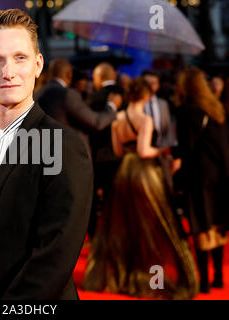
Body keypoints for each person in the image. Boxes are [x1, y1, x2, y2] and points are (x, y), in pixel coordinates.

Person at [0, 9, 94, 300]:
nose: (8, 72)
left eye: (19, 58)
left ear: (37, 65)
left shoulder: (63, 147)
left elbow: (54, 257)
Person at [82, 78, 199, 299]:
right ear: (145, 96)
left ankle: (125, 276)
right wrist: (161, 150)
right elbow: (144, 151)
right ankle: (153, 279)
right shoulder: (145, 119)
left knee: (125, 227)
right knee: (154, 228)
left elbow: (117, 151)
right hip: (145, 175)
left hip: (124, 173)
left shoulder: (116, 119)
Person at [175, 67, 229, 293]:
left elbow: (186, 148)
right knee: (217, 224)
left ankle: (204, 281)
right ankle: (218, 276)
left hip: (198, 176)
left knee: (200, 225)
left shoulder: (186, 111)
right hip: (220, 174)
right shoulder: (217, 109)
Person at [34, 58, 121, 154]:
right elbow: (96, 122)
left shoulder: (36, 95)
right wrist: (112, 106)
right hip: (69, 158)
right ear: (69, 75)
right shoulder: (67, 94)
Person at [87, 62, 124, 238]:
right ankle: (117, 232)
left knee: (92, 199)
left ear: (100, 77)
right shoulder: (125, 96)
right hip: (121, 156)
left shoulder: (93, 98)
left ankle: (93, 235)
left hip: (97, 156)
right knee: (117, 199)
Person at [142, 70, 176, 150]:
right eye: (148, 83)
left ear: (158, 85)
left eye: (153, 83)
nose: (150, 86)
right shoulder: (137, 104)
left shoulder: (163, 104)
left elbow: (167, 128)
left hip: (161, 148)